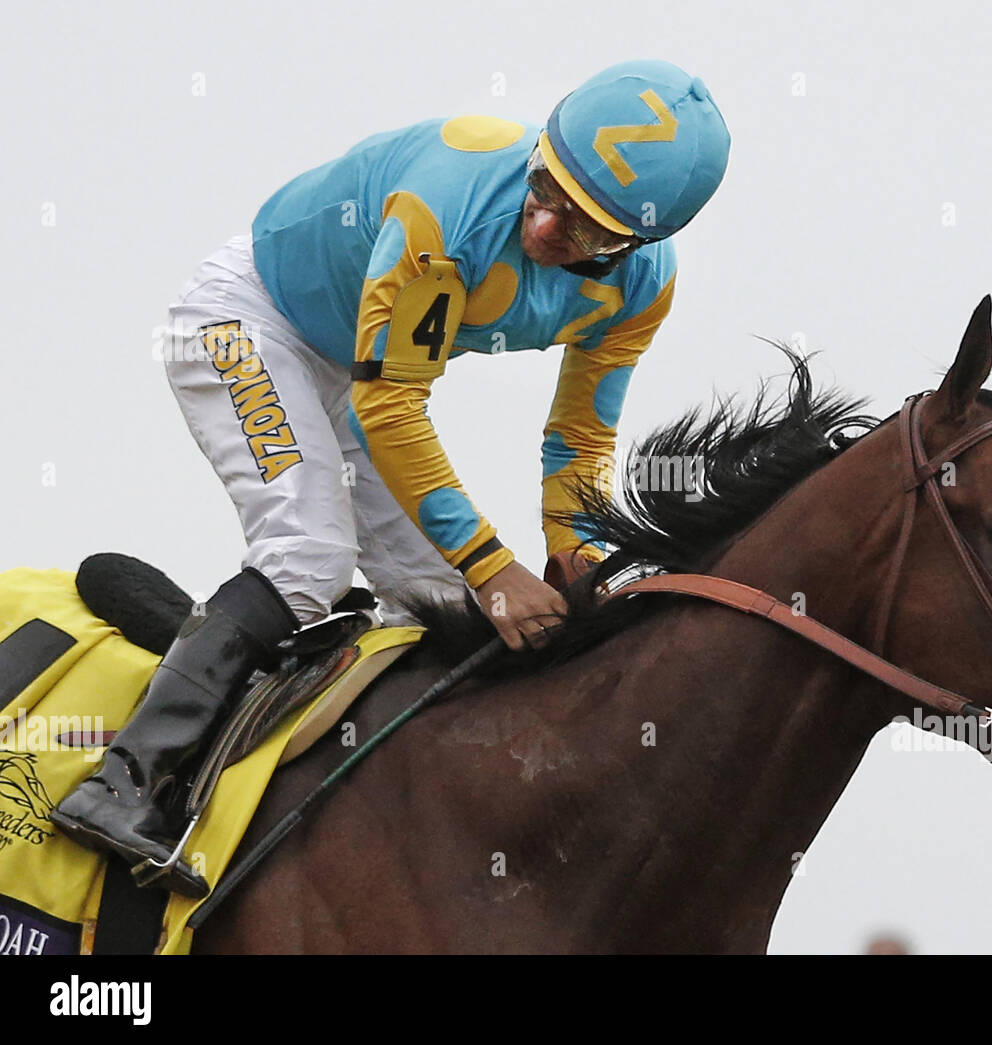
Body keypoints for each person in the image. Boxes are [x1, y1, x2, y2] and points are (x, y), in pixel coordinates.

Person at [52, 60, 731, 897]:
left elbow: (580, 435)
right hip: (250, 321)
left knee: (444, 603)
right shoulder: (445, 211)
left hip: (355, 371)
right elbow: (392, 407)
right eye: (546, 185)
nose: (546, 224)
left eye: (583, 230)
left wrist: (576, 554)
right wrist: (494, 565)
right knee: (309, 556)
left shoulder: (643, 291)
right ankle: (123, 782)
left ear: (639, 244)